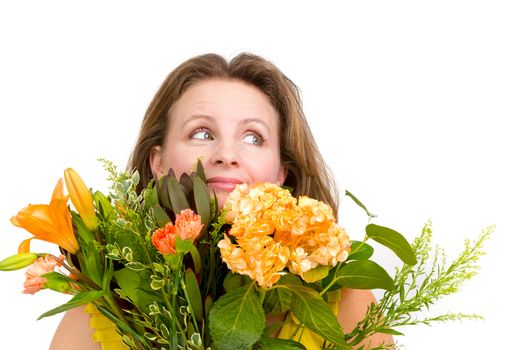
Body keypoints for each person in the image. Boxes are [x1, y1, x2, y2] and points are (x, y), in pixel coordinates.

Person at [50, 53, 393, 349]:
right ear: (157, 161)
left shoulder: (343, 298)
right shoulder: (105, 305)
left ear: (280, 172)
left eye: (253, 137)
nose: (226, 154)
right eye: (202, 133)